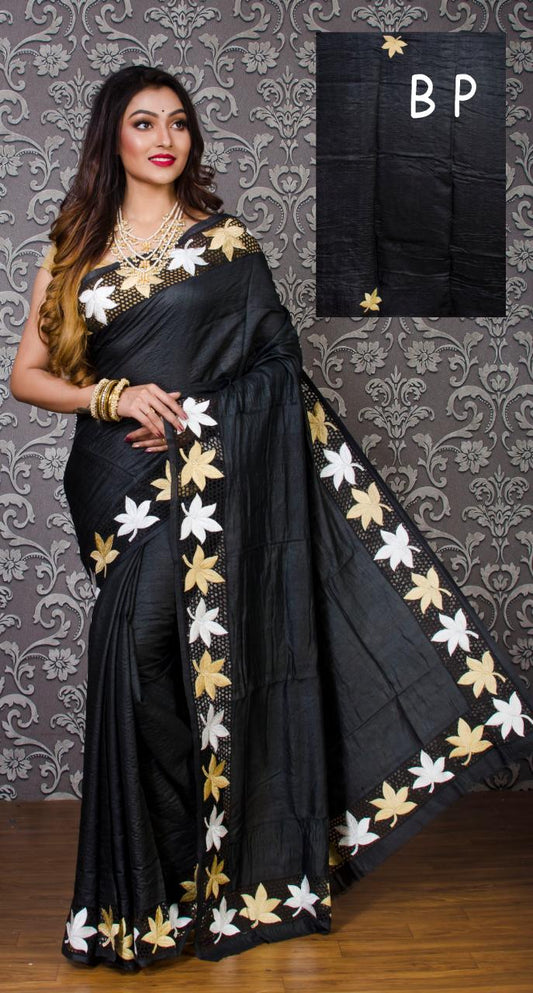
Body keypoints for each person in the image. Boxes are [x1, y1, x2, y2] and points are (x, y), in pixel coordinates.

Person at [10, 64, 533, 971]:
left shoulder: (225, 245)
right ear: (112, 137)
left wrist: (203, 418)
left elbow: (277, 365)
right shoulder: (71, 251)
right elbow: (27, 374)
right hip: (118, 484)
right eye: (144, 122)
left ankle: (213, 868)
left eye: (178, 122)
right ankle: (162, 882)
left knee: (166, 656)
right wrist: (110, 395)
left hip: (208, 474)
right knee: (143, 670)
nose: (164, 138)